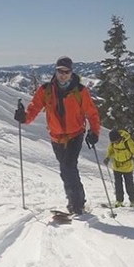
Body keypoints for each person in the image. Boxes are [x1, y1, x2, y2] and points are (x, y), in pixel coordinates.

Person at [15, 56, 100, 214]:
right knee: (65, 170)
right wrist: (24, 117)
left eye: (66, 72)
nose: (63, 75)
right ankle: (74, 201)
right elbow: (34, 108)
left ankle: (78, 205)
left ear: (71, 72)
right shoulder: (46, 90)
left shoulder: (80, 91)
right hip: (56, 137)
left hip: (75, 134)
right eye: (60, 71)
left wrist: (94, 132)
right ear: (56, 71)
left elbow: (92, 113)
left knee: (69, 166)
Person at [104, 128, 134, 207]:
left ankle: (132, 200)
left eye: (115, 141)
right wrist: (107, 157)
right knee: (118, 185)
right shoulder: (112, 143)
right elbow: (110, 151)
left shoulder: (127, 141)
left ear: (119, 138)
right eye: (113, 142)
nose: (115, 143)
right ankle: (119, 201)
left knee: (129, 185)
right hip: (116, 166)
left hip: (127, 166)